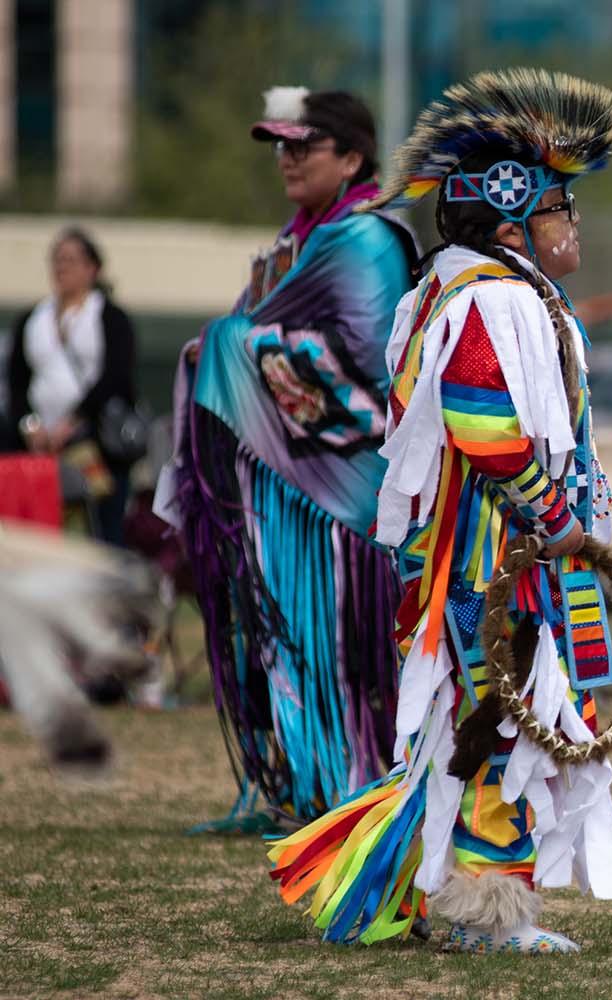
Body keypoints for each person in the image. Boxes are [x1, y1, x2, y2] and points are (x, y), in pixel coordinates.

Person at [267, 67, 612, 953]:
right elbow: (485, 427)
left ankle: (434, 886)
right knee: (502, 717)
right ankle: (487, 916)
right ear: (509, 218)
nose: (576, 227)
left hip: (479, 555)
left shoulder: (466, 290)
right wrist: (548, 509)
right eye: (562, 209)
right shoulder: (494, 298)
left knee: (482, 715)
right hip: (491, 557)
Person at [157, 88, 415, 829]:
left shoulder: (365, 239)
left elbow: (368, 364)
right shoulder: (291, 241)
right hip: (277, 486)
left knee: (341, 643)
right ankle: (294, 788)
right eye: (280, 147)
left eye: (304, 146)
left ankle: (355, 788)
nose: (288, 159)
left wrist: (234, 348)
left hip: (349, 489)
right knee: (280, 640)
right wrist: (226, 345)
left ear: (353, 158)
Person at [7, 229, 140, 546]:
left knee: (102, 530)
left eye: (71, 260)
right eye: (57, 260)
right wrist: (31, 425)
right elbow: (17, 380)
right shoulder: (32, 318)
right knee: (41, 531)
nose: (61, 268)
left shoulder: (109, 316)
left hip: (92, 444)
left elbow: (115, 375)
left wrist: (74, 421)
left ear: (91, 268)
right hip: (40, 445)